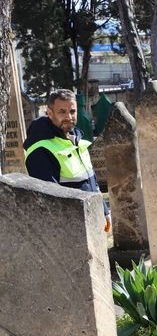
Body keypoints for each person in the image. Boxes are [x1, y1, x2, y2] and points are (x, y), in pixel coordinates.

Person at [23, 89, 110, 232]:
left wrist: (104, 211)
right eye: (62, 112)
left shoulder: (77, 141)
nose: (69, 116)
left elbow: (92, 182)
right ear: (50, 113)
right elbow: (50, 199)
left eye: (72, 111)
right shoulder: (41, 150)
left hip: (93, 220)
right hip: (72, 230)